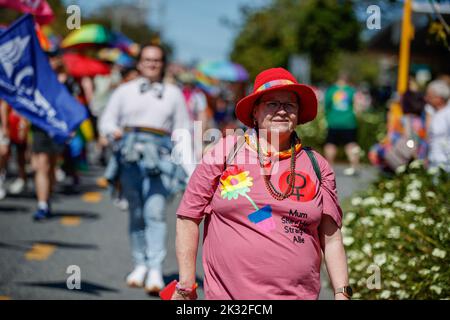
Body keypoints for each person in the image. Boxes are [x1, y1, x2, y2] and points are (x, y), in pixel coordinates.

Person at [173, 68, 350, 300]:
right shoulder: (225, 153)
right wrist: (186, 284)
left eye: (290, 105)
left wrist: (342, 293)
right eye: (272, 103)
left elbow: (332, 237)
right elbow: (188, 216)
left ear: (298, 114)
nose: (281, 111)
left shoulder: (317, 165)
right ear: (255, 111)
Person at [99, 44, 194, 294]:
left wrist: (191, 170)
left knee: (155, 212)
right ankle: (139, 264)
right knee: (137, 212)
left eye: (157, 60)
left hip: (160, 161)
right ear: (139, 63)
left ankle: (155, 268)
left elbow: (183, 131)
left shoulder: (174, 94)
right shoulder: (124, 91)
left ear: (163, 64)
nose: (152, 64)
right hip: (129, 158)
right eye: (147, 59)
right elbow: (107, 120)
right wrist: (113, 131)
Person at [369, 91, 428, 173]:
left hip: (402, 155)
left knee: (375, 150)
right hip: (418, 154)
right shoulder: (423, 121)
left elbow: (392, 137)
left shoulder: (402, 119)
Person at [323, 73, 361, 176]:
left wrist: (327, 118)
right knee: (351, 144)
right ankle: (354, 167)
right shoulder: (351, 91)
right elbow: (357, 107)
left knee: (331, 144)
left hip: (333, 122)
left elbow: (326, 107)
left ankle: (329, 168)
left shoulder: (331, 90)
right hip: (349, 122)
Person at [425, 80, 450, 172]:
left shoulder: (448, 113)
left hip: (445, 162)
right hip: (434, 160)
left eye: (430, 96)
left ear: (439, 98)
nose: (426, 98)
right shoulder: (433, 112)